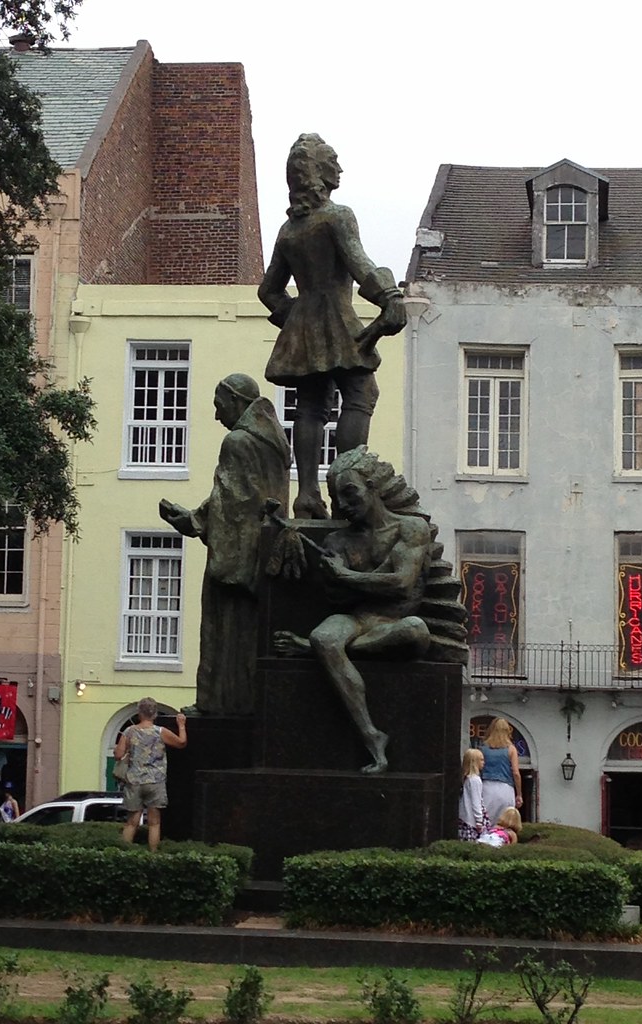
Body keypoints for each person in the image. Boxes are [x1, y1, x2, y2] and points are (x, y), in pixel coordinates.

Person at [258, 134, 407, 519]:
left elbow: (268, 291)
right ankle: (346, 488)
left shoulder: (288, 231)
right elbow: (360, 265)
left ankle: (307, 495)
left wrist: (293, 317)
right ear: (317, 172)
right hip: (338, 319)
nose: (339, 169)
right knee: (361, 393)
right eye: (333, 161)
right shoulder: (337, 217)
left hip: (304, 324)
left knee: (310, 406)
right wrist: (389, 296)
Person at [274, 446, 432, 774]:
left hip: (394, 622)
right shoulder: (337, 541)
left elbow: (402, 583)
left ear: (372, 488)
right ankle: (372, 735)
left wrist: (348, 576)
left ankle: (312, 649)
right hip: (357, 619)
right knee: (325, 634)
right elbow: (340, 599)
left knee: (416, 630)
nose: (345, 506)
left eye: (350, 494)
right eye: (337, 499)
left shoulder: (411, 529)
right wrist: (336, 578)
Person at [160, 374, 290, 713]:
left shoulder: (238, 442)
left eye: (220, 406)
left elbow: (232, 502)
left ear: (235, 400)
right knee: (249, 635)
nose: (217, 416)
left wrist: (194, 521)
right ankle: (243, 702)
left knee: (223, 631)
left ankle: (219, 703)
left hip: (237, 557)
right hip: (262, 550)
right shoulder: (274, 442)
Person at [114, 697, 187, 852]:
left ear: (139, 713)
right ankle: (153, 855)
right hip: (156, 781)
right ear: (155, 714)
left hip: (134, 781)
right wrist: (181, 725)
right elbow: (181, 743)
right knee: (154, 822)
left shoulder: (129, 731)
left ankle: (123, 854)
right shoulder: (160, 732)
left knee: (131, 822)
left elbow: (119, 754)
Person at [480, 717, 523, 826]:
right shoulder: (511, 749)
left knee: (485, 821)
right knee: (505, 823)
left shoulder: (483, 748)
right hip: (505, 788)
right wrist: (519, 794)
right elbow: (516, 773)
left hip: (486, 787)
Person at [457, 748, 490, 840]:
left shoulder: (467, 779)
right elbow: (476, 801)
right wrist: (479, 821)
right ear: (474, 762)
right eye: (481, 760)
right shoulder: (475, 780)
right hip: (472, 820)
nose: (484, 762)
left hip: (464, 818)